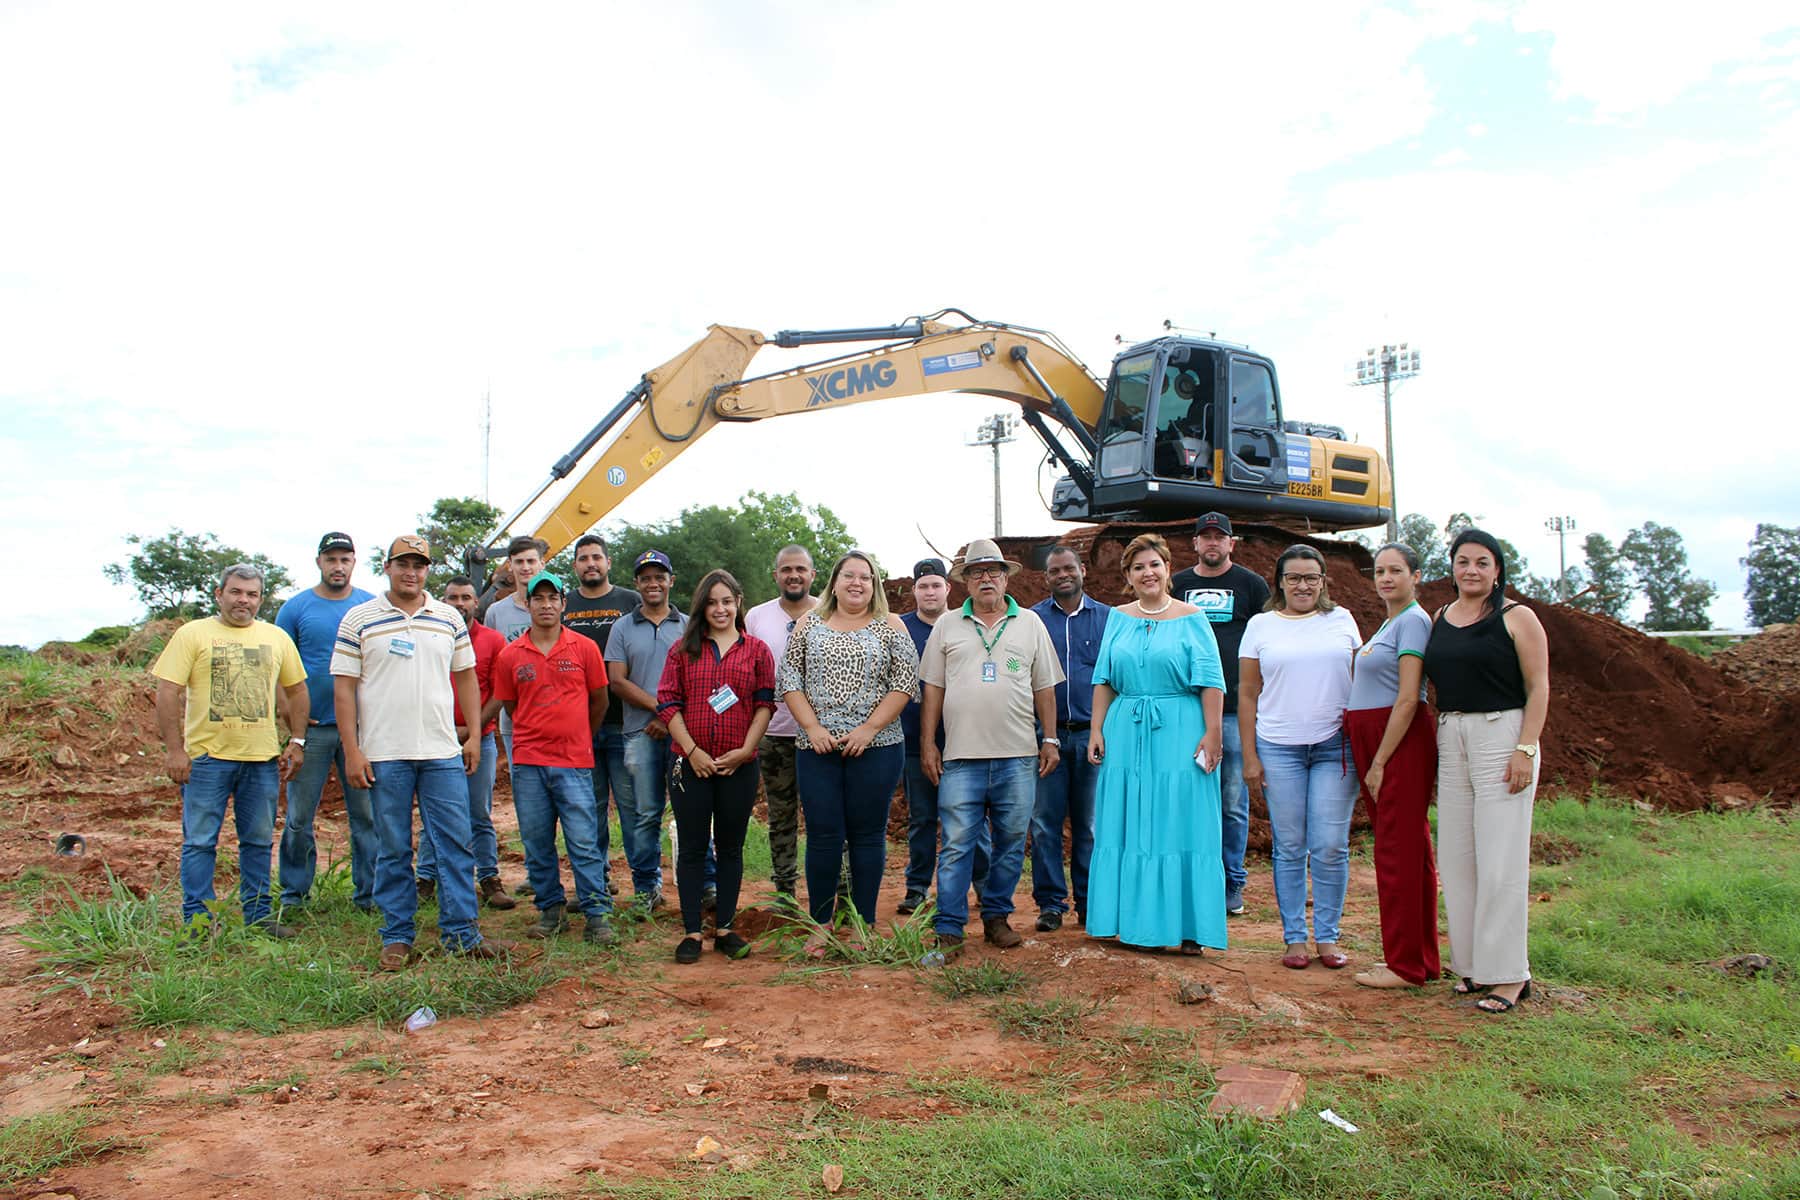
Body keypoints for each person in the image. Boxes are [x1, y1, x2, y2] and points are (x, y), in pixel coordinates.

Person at [333, 535, 511, 969]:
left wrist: (471, 737)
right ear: (387, 567)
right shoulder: (359, 619)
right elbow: (344, 688)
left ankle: (462, 933)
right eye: (403, 564)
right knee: (393, 846)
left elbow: (467, 678)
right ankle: (396, 937)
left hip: (441, 751)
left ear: (427, 569)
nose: (411, 572)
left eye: (419, 564)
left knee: (455, 842)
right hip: (385, 753)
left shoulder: (448, 618)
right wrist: (352, 751)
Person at [1423, 528, 1550, 1014]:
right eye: (1462, 561)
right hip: (1452, 734)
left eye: (1482, 562)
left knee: (1501, 858)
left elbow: (1539, 687)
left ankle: (1510, 976)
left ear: (1497, 570)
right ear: (1452, 567)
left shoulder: (1518, 617)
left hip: (1503, 734)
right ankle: (1473, 966)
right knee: (1457, 857)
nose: (1471, 570)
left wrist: (1526, 748)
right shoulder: (1441, 617)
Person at [919, 538, 1063, 955]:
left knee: (1012, 841)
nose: (986, 578)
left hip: (1018, 756)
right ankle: (948, 928)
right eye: (976, 572)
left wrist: (1049, 739)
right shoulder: (947, 625)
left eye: (993, 572)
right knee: (957, 844)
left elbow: (1044, 687)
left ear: (1005, 578)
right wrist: (929, 744)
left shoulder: (1030, 624)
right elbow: (932, 689)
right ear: (964, 581)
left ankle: (997, 918)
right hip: (961, 757)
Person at [1085, 534, 1227, 953]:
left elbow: (1211, 681)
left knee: (1181, 820)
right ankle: (1130, 924)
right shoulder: (1118, 617)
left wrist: (1213, 732)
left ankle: (1188, 930)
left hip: (1181, 730)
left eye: (1154, 565)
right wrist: (1096, 729)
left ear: (1168, 569)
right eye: (1138, 568)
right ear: (1128, 576)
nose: (1148, 573)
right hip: (1125, 731)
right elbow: (1104, 679)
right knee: (1128, 822)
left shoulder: (1194, 618)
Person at [152, 564, 309, 936]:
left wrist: (297, 741)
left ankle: (258, 917)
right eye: (236, 592)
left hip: (261, 761)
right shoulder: (193, 634)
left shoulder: (276, 638)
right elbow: (167, 692)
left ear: (260, 600)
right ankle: (198, 922)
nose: (244, 600)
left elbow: (298, 689)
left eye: (252, 594)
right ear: (219, 594)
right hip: (207, 761)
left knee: (257, 841)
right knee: (200, 842)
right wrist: (176, 751)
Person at [779, 550, 919, 942]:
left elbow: (905, 683)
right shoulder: (809, 623)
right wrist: (812, 728)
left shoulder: (891, 625)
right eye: (849, 576)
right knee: (823, 835)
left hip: (876, 747)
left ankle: (863, 923)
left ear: (874, 585)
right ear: (834, 582)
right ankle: (820, 924)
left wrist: (868, 729)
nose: (857, 583)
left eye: (866, 577)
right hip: (817, 748)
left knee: (867, 834)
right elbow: (789, 678)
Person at [1239, 545, 1362, 970]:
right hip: (1279, 747)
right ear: (1280, 582)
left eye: (1312, 577)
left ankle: (1327, 937)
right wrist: (1250, 755)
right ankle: (1295, 938)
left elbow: (1360, 683)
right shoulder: (1260, 625)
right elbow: (1248, 693)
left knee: (1329, 845)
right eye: (1294, 577)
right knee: (1290, 846)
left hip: (1335, 748)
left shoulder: (1342, 620)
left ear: (1324, 580)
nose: (1303, 584)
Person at [657, 570, 777, 962]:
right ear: (701, 607)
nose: (720, 609)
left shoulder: (756, 650)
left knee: (730, 848)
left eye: (727, 601)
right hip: (691, 764)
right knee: (692, 848)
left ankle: (725, 926)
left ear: (738, 602)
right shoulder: (683, 650)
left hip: (737, 766)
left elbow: (764, 704)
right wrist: (692, 752)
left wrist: (745, 750)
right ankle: (692, 930)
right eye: (712, 602)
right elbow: (669, 703)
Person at [492, 571, 617, 945]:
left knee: (583, 840)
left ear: (564, 604)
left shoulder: (583, 648)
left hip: (574, 761)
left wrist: (579, 734)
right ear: (527, 604)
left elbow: (600, 701)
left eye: (553, 599)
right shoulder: (511, 655)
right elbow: (512, 705)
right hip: (529, 761)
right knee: (536, 840)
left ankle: (596, 914)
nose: (546, 605)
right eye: (538, 599)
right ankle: (551, 911)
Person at [1346, 544, 1441, 989]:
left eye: (1396, 571)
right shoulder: (1391, 622)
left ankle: (1403, 965)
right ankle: (1421, 960)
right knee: (1411, 849)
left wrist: (1380, 759)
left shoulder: (1414, 622)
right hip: (1375, 736)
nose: (1385, 578)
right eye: (1380, 571)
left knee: (1397, 853)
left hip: (1396, 740)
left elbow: (1408, 697)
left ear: (1415, 576)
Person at [1168, 512, 1271, 916]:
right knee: (1185, 798)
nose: (1212, 543)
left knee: (1231, 802)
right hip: (1185, 710)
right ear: (1195, 544)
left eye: (1219, 537)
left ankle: (1231, 883)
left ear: (1232, 543)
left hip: (1233, 714)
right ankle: (1189, 879)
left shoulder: (1251, 585)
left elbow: (1268, 639)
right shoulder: (1179, 585)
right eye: (1205, 537)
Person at [274, 532, 377, 912]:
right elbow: (279, 667)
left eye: (345, 559)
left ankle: (370, 894)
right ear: (319, 561)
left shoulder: (369, 607)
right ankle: (293, 895)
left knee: (366, 815)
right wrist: (290, 719)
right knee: (299, 815)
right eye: (331, 559)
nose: (338, 566)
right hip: (313, 730)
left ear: (354, 562)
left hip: (362, 731)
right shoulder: (296, 609)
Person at [896, 557, 988, 916]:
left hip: (966, 739)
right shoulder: (900, 629)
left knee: (973, 819)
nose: (929, 592)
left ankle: (982, 884)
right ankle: (917, 887)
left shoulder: (966, 625)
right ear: (914, 590)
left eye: (936, 585)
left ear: (948, 589)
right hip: (916, 740)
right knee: (921, 818)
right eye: (923, 586)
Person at [1029, 545, 1112, 932]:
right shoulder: (1031, 622)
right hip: (1046, 738)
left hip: (1092, 738)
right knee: (1044, 823)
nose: (1062, 575)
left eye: (1068, 568)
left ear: (1082, 571)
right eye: (1054, 571)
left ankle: (1089, 901)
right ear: (1046, 577)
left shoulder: (1109, 620)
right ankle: (1050, 904)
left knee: (1090, 825)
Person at [419, 576, 514, 911]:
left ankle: (489, 878)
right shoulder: (428, 635)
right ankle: (425, 878)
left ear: (477, 602)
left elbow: (500, 692)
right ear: (442, 601)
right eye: (452, 597)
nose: (459, 603)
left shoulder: (493, 640)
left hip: (481, 739)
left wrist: (472, 729)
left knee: (478, 812)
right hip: (434, 739)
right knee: (434, 812)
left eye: (466, 597)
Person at [604, 550, 689, 908]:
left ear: (671, 581)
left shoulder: (688, 625)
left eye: (660, 577)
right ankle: (646, 888)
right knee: (645, 813)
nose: (653, 583)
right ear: (637, 584)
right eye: (645, 578)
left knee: (694, 811)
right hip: (639, 734)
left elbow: (698, 679)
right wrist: (661, 709)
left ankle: (704, 884)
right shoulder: (622, 627)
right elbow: (617, 681)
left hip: (687, 735)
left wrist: (669, 717)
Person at [561, 533, 641, 896]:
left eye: (596, 557)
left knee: (631, 808)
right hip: (580, 727)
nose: (590, 563)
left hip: (626, 724)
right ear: (575, 565)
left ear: (608, 563)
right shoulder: (565, 604)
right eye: (583, 558)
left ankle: (645, 885)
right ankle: (595, 883)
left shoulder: (630, 601)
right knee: (588, 810)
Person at [743, 544, 819, 901]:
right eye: (786, 569)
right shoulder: (756, 617)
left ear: (812, 575)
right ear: (776, 575)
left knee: (825, 817)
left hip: (821, 735)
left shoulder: (828, 613)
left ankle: (834, 889)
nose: (793, 575)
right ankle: (785, 891)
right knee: (781, 816)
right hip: (774, 733)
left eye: (800, 569)